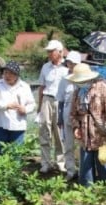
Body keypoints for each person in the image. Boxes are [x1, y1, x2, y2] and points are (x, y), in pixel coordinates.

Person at [68, 63, 106, 198]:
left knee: (103, 160)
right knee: (86, 162)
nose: (80, 83)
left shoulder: (102, 88)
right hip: (84, 132)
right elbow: (72, 114)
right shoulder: (77, 92)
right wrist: (75, 127)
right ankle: (87, 190)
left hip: (100, 130)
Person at [0, 61, 35, 156]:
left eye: (10, 73)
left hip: (17, 124)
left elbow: (32, 104)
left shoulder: (24, 87)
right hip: (0, 123)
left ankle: (15, 170)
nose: (7, 76)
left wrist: (25, 109)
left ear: (17, 75)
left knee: (16, 152)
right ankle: (0, 170)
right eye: (5, 73)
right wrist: (7, 106)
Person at [38, 40, 68, 173]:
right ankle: (45, 162)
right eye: (48, 51)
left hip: (61, 102)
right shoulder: (45, 67)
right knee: (44, 130)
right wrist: (39, 106)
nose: (49, 54)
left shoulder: (67, 67)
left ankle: (60, 162)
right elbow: (41, 87)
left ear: (60, 52)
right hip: (46, 100)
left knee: (59, 132)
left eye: (51, 51)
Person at [57, 51, 82, 181]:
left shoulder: (84, 78)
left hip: (81, 117)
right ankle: (71, 170)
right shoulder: (64, 80)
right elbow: (60, 100)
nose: (71, 65)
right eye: (69, 62)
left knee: (83, 144)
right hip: (67, 115)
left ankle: (84, 171)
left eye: (73, 63)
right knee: (68, 145)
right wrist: (59, 118)